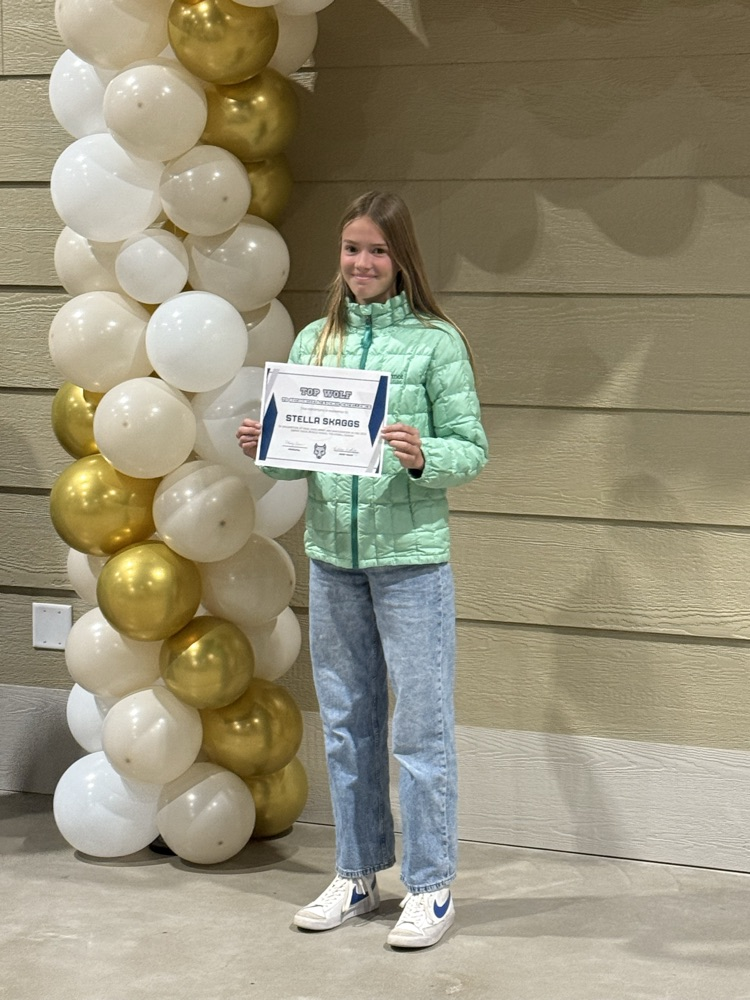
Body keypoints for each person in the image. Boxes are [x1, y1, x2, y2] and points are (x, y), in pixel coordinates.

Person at [237, 190, 488, 949]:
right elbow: (298, 462)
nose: (362, 263)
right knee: (347, 725)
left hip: (411, 565)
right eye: (352, 248)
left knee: (420, 730)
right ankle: (356, 873)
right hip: (333, 561)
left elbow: (471, 450)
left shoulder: (437, 342)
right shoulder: (316, 339)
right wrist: (268, 444)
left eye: (377, 250)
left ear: (401, 257)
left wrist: (422, 454)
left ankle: (431, 886)